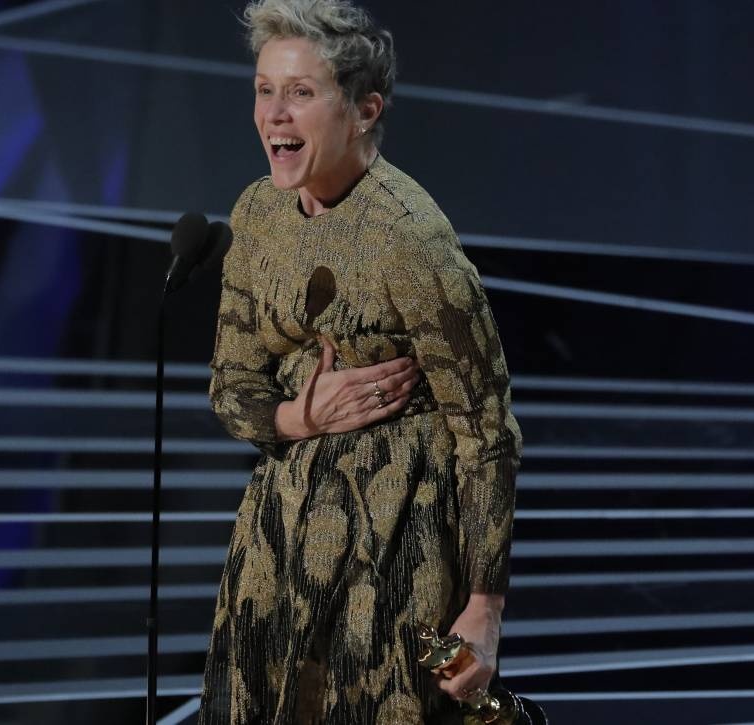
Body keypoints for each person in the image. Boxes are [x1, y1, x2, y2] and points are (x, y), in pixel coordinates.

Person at [199, 1, 522, 722]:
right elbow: (231, 386)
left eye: (300, 92)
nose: (274, 114)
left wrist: (484, 606)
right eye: (264, 89)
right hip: (279, 536)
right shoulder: (257, 214)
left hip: (395, 542)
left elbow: (487, 432)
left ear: (364, 110)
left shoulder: (410, 240)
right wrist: (298, 416)